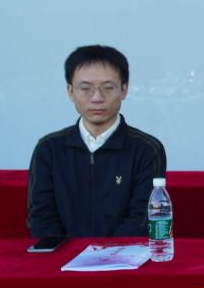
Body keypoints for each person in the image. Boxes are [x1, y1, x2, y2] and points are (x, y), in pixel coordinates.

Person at [27, 45, 166, 237]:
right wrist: (68, 252)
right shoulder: (49, 149)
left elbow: (142, 218)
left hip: (123, 254)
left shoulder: (147, 149)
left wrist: (106, 252)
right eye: (85, 89)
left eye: (108, 88)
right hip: (63, 254)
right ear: (70, 91)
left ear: (124, 90)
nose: (97, 98)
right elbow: (41, 216)